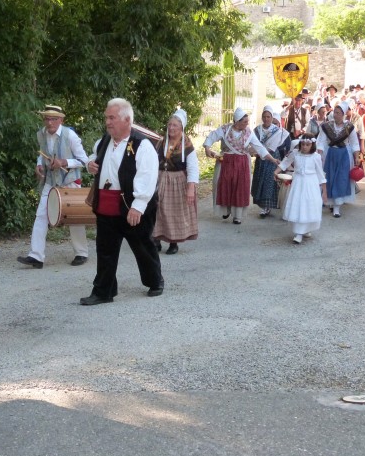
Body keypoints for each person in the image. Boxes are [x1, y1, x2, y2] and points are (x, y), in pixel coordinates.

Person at [82, 98, 164, 305]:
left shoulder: (142, 145)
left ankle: (155, 281)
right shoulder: (104, 141)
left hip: (131, 206)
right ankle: (104, 291)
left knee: (142, 246)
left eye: (112, 118)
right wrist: (90, 164)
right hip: (106, 205)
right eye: (106, 118)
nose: (107, 122)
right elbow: (94, 157)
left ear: (127, 120)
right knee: (105, 250)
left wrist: (138, 206)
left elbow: (147, 176)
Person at [17, 105, 90, 269]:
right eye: (46, 118)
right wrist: (39, 165)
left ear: (61, 120)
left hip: (70, 181)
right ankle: (36, 256)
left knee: (74, 217)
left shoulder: (70, 135)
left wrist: (64, 162)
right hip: (50, 181)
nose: (49, 122)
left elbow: (85, 161)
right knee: (41, 215)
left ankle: (81, 253)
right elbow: (42, 154)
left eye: (53, 119)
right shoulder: (41, 134)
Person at [203, 107, 277, 225]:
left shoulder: (248, 132)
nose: (247, 124)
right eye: (245, 122)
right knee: (224, 185)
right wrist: (207, 147)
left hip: (242, 163)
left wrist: (272, 159)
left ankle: (237, 216)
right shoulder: (225, 129)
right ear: (237, 121)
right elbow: (212, 136)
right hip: (225, 161)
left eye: (247, 121)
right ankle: (226, 210)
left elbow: (259, 147)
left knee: (240, 187)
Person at [152, 108, 199, 255]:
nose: (171, 128)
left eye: (175, 126)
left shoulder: (187, 146)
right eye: (170, 125)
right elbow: (152, 161)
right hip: (161, 179)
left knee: (175, 212)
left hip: (178, 181)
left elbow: (193, 168)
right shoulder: (161, 142)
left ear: (181, 128)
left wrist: (191, 188)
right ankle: (156, 240)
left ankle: (174, 242)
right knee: (157, 210)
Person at [275, 134, 327, 244]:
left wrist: (324, 191)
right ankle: (299, 232)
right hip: (298, 182)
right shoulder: (295, 154)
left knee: (309, 204)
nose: (304, 147)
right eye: (303, 144)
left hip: (310, 183)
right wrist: (276, 172)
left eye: (307, 145)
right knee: (299, 204)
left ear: (312, 145)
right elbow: (285, 162)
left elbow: (320, 174)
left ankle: (306, 228)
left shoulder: (316, 157)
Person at [317, 101, 360, 218]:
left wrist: (356, 156)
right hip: (329, 154)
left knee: (341, 179)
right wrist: (319, 152)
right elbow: (320, 140)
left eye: (338, 113)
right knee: (329, 178)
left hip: (344, 156)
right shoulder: (326, 126)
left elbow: (355, 143)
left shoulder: (349, 127)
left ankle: (337, 207)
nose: (335, 114)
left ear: (343, 114)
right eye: (334, 112)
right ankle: (330, 203)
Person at [251, 106, 291, 218]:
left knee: (270, 182)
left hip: (272, 158)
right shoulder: (257, 130)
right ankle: (263, 205)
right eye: (264, 116)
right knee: (260, 181)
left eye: (268, 116)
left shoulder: (278, 131)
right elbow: (254, 144)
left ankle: (267, 206)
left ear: (272, 117)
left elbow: (277, 146)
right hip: (261, 159)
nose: (266, 119)